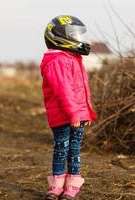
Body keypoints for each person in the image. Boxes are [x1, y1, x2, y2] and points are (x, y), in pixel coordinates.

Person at [39, 15, 97, 200]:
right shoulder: (58, 61)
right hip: (64, 116)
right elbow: (64, 92)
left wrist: (84, 112)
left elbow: (81, 90)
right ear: (59, 36)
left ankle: (71, 187)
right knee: (61, 149)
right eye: (74, 35)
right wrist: (74, 115)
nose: (79, 39)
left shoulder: (72, 58)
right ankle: (56, 187)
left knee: (74, 150)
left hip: (76, 116)